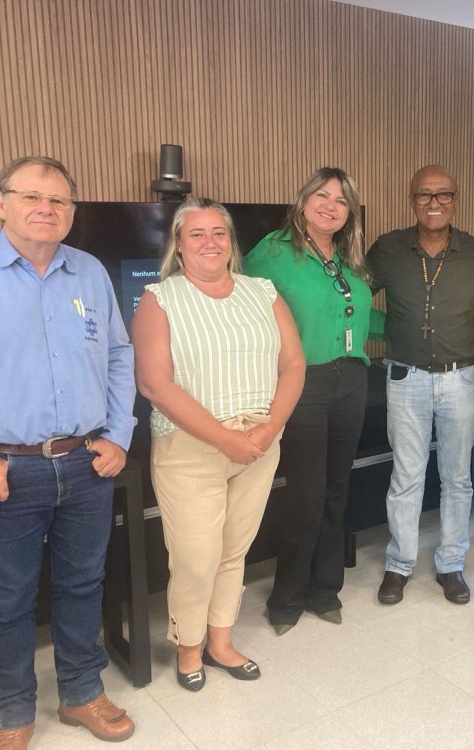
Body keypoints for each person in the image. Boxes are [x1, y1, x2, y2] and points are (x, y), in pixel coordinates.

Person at [0, 156, 137, 749]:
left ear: (71, 211)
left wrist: (119, 433)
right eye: (31, 196)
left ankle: (81, 693)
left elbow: (119, 356)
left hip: (86, 463)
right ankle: (11, 715)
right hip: (3, 470)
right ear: (1, 203)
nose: (46, 208)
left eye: (59, 200)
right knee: (9, 601)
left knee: (83, 584)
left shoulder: (89, 271)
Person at [132, 198, 305, 688]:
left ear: (231, 242)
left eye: (218, 233)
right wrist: (225, 439)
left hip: (259, 441)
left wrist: (269, 429)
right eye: (197, 234)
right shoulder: (159, 300)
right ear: (179, 244)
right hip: (191, 449)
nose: (209, 242)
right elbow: (154, 385)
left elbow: (293, 364)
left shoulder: (262, 291)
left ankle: (220, 641)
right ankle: (189, 647)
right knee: (195, 558)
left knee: (233, 551)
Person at [245, 167, 378, 634]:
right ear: (303, 201)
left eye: (341, 200)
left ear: (350, 213)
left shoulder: (349, 257)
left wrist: (413, 333)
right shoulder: (273, 251)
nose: (330, 206)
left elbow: (358, 315)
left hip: (352, 377)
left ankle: (326, 590)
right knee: (305, 493)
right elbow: (240, 307)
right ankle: (287, 599)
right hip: (303, 381)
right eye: (321, 195)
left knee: (337, 487)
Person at [368, 165, 474, 606]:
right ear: (412, 201)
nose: (434, 203)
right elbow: (355, 298)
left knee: (457, 477)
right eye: (424, 195)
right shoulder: (387, 248)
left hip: (463, 378)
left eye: (443, 195)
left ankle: (451, 563)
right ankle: (399, 563)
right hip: (406, 378)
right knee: (406, 475)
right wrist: (387, 330)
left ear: (455, 200)